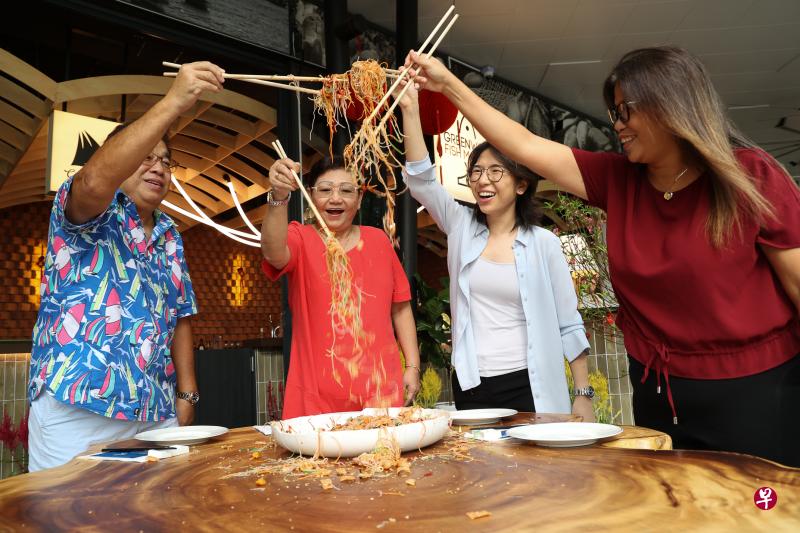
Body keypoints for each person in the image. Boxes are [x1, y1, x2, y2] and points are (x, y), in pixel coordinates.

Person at [405, 46, 800, 465]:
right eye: (614, 113)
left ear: (670, 104)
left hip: (757, 392)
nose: (618, 125)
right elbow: (522, 144)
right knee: (671, 514)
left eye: (626, 111)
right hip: (657, 393)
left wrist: (582, 392)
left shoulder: (750, 176)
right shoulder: (617, 180)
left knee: (761, 510)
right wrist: (446, 84)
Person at [27, 61, 225, 471]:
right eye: (145, 156)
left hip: (154, 411)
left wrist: (187, 395)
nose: (157, 167)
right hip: (78, 404)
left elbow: (181, 316)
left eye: (165, 161)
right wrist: (173, 102)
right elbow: (95, 182)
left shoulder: (171, 233)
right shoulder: (90, 207)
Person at [397, 82, 594, 420]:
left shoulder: (543, 244)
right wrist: (410, 109)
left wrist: (583, 394)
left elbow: (568, 324)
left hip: (530, 383)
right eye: (476, 171)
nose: (482, 180)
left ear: (520, 184)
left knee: (536, 472)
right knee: (483, 473)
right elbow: (422, 181)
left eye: (494, 171)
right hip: (473, 384)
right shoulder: (461, 226)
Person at [261, 155, 421, 419]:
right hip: (316, 402)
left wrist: (413, 366)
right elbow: (274, 253)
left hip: (379, 396)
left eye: (346, 191)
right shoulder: (300, 238)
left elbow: (401, 309)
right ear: (311, 196)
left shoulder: (379, 241)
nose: (336, 199)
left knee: (385, 460)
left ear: (358, 200)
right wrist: (278, 198)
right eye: (325, 190)